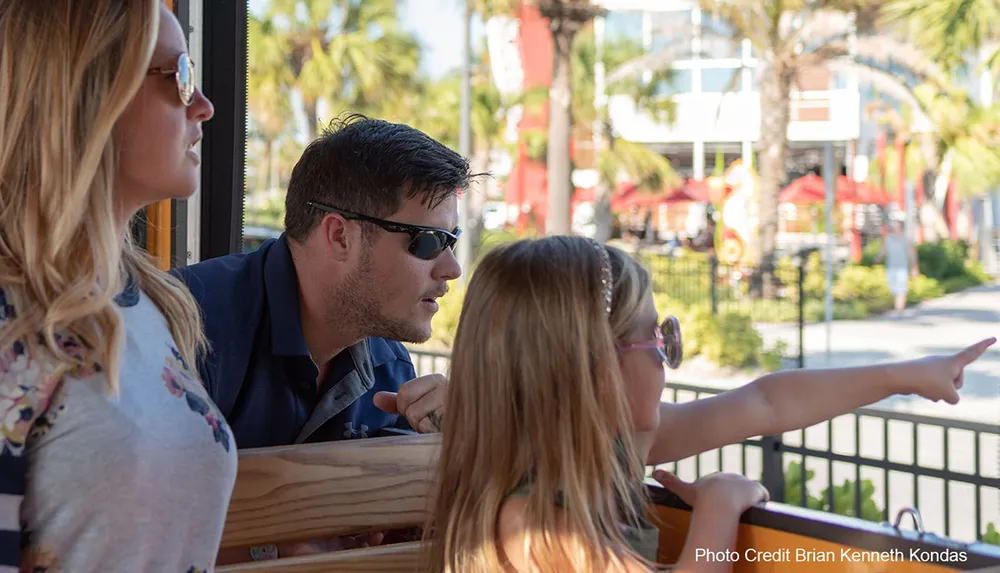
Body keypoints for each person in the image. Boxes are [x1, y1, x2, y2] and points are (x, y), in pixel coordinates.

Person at [426, 236, 992, 572]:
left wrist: (902, 375)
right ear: (596, 372)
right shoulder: (534, 524)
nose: (669, 359)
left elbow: (766, 402)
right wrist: (719, 507)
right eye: (660, 341)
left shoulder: (621, 449)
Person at [171, 114, 472, 562]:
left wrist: (457, 448)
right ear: (339, 235)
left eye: (453, 239)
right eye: (428, 242)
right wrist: (280, 540)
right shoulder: (186, 328)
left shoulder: (390, 362)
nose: (451, 268)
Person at [0, 1, 236, 571]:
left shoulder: (155, 304)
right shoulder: (13, 319)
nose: (203, 106)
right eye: (179, 77)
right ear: (87, 94)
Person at [874, 218, 918, 314]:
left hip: (902, 268)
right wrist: (878, 258)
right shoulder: (888, 238)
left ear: (901, 227)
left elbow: (912, 253)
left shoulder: (905, 239)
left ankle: (899, 310)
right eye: (894, 225)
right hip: (891, 267)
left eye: (896, 225)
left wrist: (914, 267)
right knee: (892, 288)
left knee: (901, 289)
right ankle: (897, 307)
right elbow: (883, 250)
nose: (894, 227)